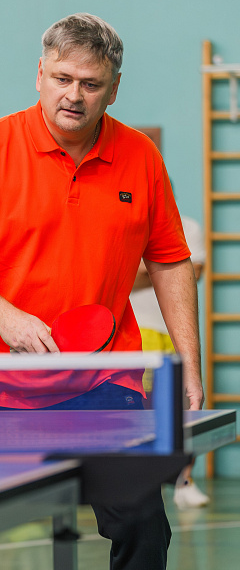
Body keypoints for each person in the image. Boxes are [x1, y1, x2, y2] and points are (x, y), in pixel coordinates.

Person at [0, 13, 204, 570]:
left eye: (91, 84)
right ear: (40, 74)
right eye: (62, 78)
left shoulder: (141, 157)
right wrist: (6, 316)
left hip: (101, 378)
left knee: (143, 526)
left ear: (113, 89)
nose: (73, 95)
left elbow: (170, 261)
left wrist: (189, 364)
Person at [131, 214, 210, 510]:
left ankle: (184, 481)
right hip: (140, 331)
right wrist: (165, 268)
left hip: (176, 334)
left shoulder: (190, 226)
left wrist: (146, 268)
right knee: (143, 411)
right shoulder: (132, 224)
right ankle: (144, 481)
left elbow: (193, 271)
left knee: (183, 409)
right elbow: (124, 276)